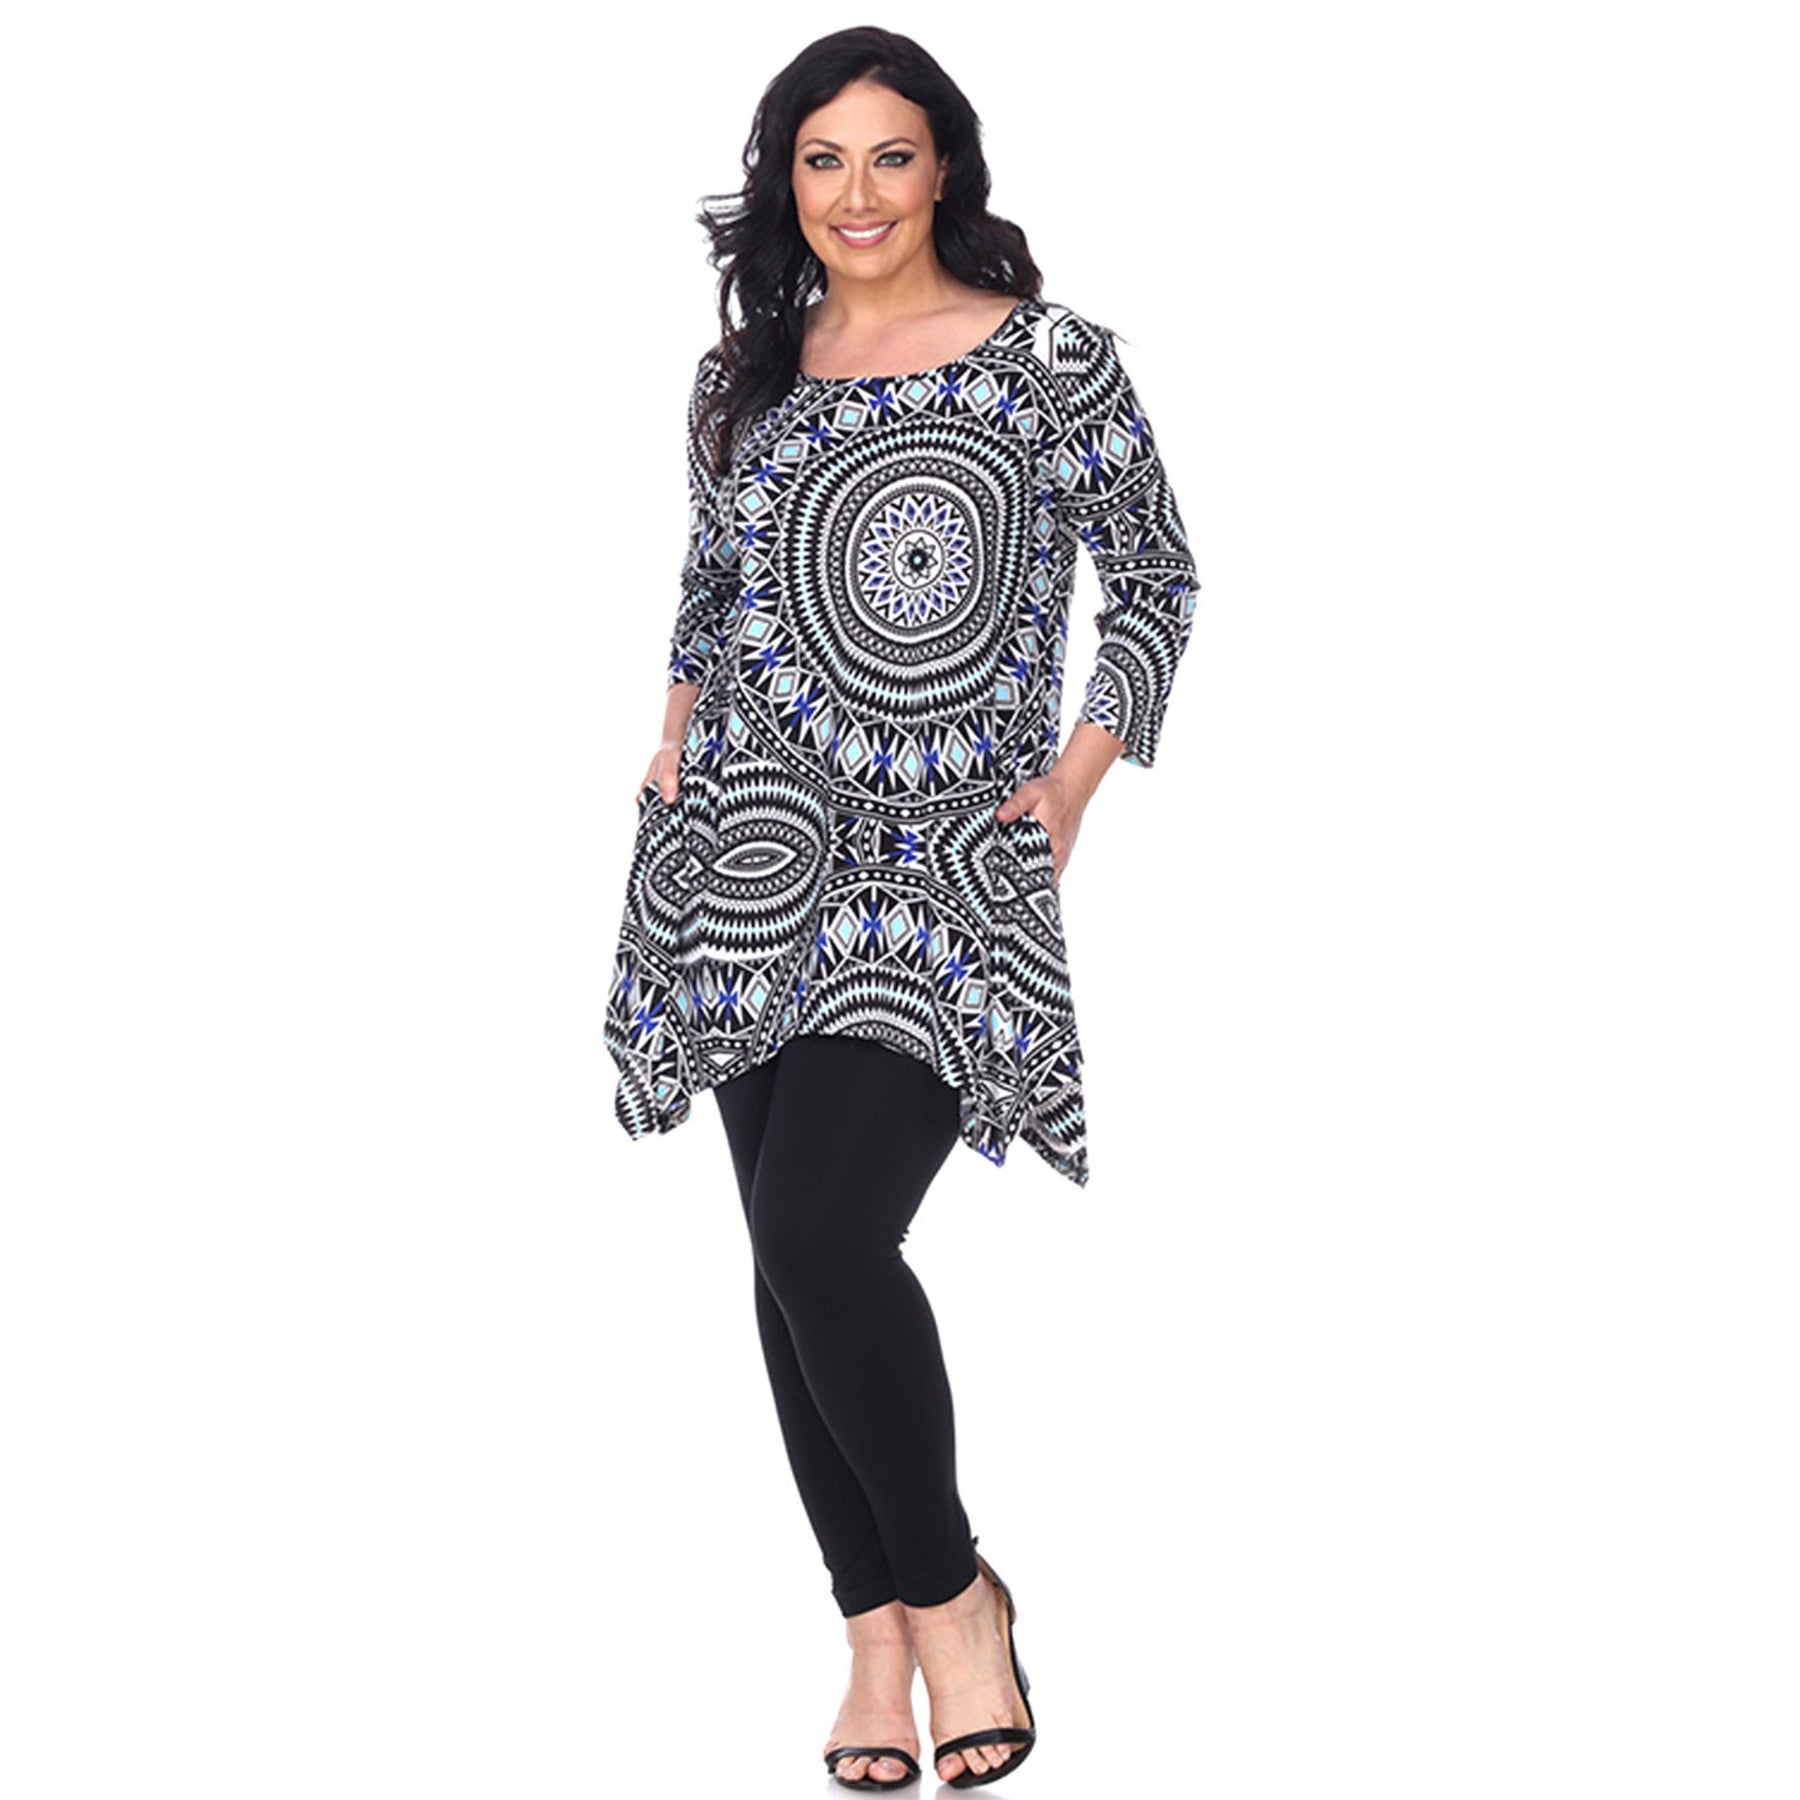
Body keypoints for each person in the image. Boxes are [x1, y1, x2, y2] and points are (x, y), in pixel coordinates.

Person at [603, 26, 1200, 1789]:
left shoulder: (1053, 361)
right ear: (784, 180)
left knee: (821, 1236)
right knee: (782, 1262)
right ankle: (871, 1635)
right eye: (821, 160)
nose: (855, 195)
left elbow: (1159, 576)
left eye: (889, 155)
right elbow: (711, 586)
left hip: (942, 869)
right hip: (743, 849)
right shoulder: (747, 374)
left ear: (947, 168)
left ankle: (955, 1601)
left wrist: (1075, 781)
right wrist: (672, 737)